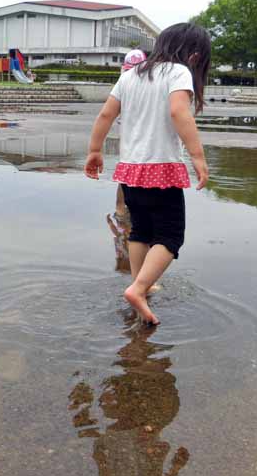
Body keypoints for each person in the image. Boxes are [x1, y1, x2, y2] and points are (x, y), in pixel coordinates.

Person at [84, 22, 210, 325]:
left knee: (140, 229)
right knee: (170, 234)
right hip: (162, 168)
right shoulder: (179, 72)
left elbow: (106, 114)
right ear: (194, 56)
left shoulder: (130, 75)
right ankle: (139, 289)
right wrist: (197, 156)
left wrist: (95, 151)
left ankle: (141, 281)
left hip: (130, 170)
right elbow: (179, 112)